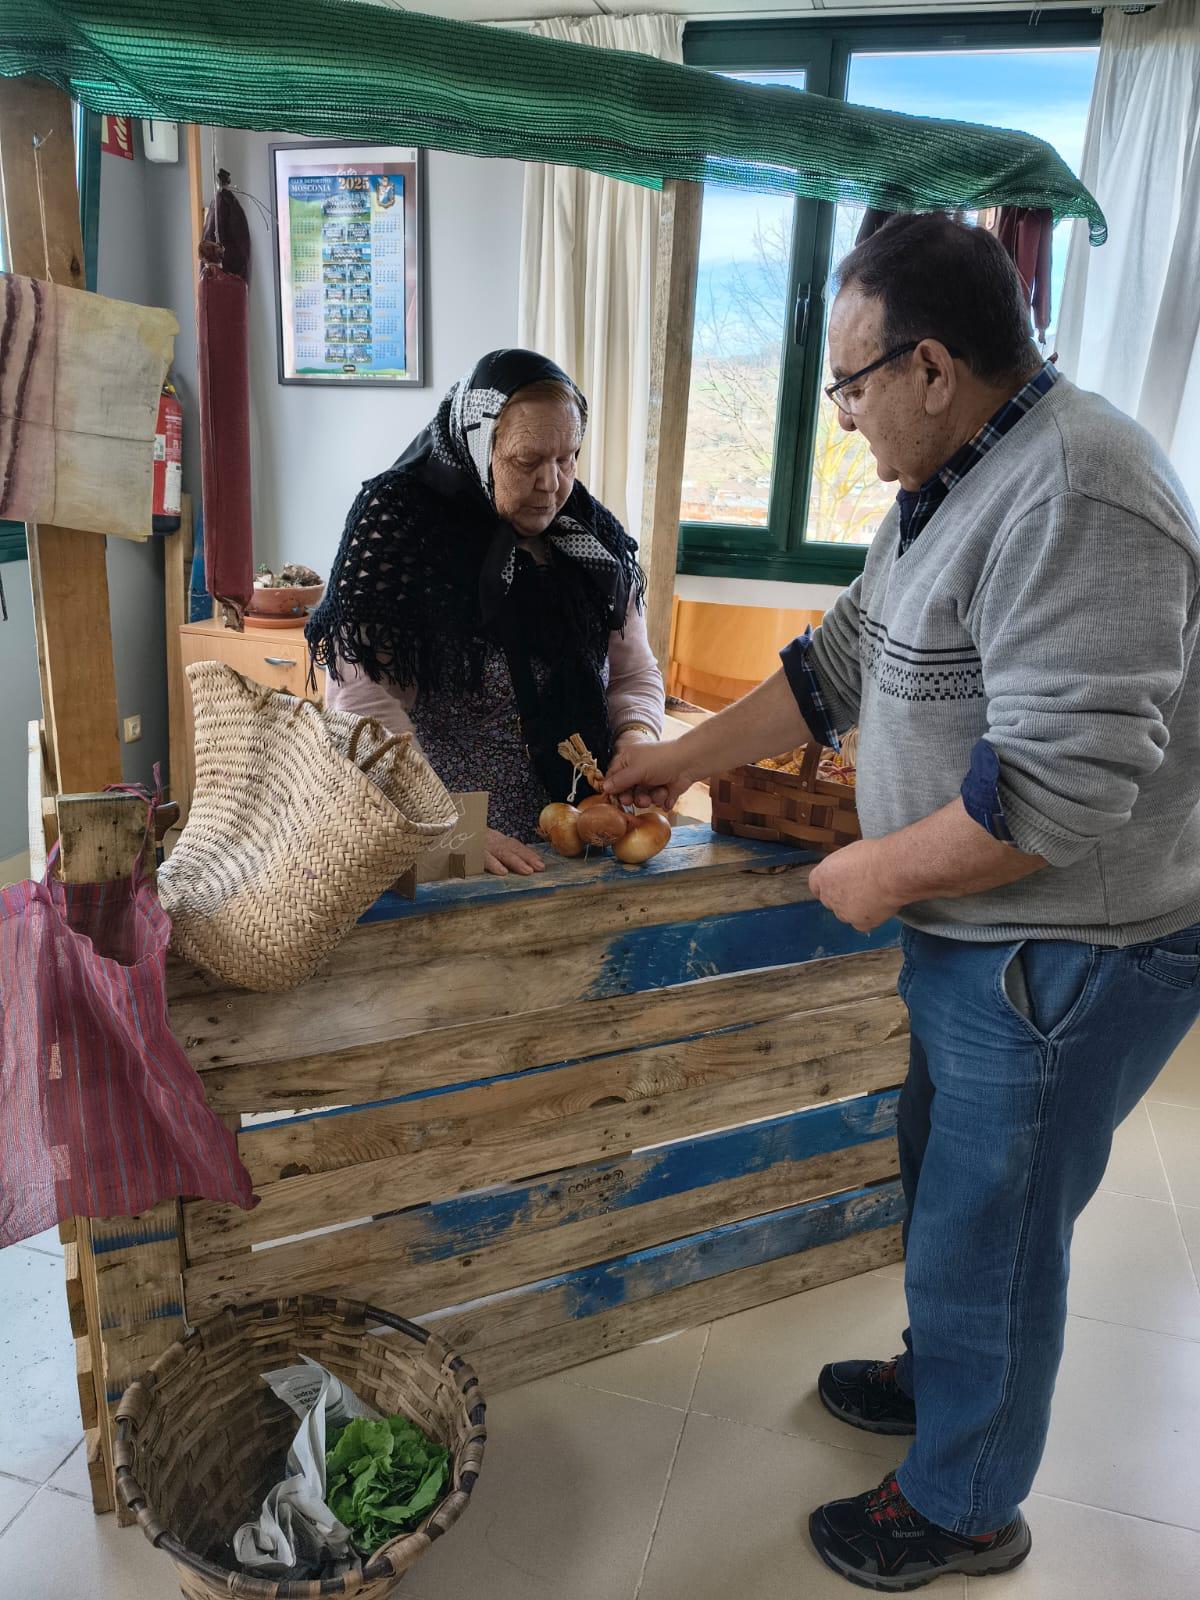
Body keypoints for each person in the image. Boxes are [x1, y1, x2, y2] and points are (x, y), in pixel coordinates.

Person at [606, 213, 1200, 1592]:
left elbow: (1061, 794)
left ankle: (963, 1504)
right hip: (982, 942)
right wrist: (672, 763)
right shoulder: (950, 483)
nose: (848, 416)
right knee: (950, 1187)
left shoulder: (1080, 490)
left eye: (854, 384)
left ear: (934, 367)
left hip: (1074, 950)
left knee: (996, 1228)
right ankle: (947, 1383)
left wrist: (869, 869)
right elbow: (838, 666)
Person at [307, 349, 664, 875]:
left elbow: (633, 674)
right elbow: (361, 711)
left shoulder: (590, 539)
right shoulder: (397, 533)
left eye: (567, 458)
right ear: (479, 442)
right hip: (452, 849)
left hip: (585, 840)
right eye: (527, 461)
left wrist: (636, 739)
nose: (552, 485)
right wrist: (448, 824)